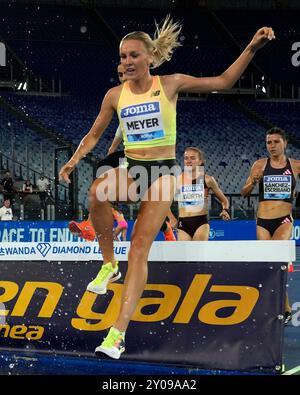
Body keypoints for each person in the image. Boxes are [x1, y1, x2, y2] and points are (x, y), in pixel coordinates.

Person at [59, 16, 275, 359]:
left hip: (162, 172)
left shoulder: (170, 83)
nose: (126, 62)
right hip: (134, 168)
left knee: (140, 250)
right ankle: (109, 265)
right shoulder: (115, 95)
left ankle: (116, 334)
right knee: (97, 191)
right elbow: (95, 134)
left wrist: (251, 47)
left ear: (149, 58)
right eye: (122, 57)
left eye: (133, 56)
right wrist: (73, 160)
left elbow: (224, 80)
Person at [68, 64, 176, 242]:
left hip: (154, 156)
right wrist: (112, 149)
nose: (123, 77)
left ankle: (166, 226)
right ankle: (90, 223)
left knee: (148, 197)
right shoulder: (120, 95)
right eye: (120, 75)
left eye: (126, 73)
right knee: (103, 171)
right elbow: (120, 128)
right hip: (130, 154)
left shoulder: (149, 91)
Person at [241, 127, 300, 326]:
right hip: (263, 221)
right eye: (268, 142)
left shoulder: (296, 166)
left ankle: (280, 308)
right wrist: (252, 183)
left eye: (276, 142)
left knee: (275, 259)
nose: (272, 146)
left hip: (284, 220)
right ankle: (284, 307)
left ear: (285, 143)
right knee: (269, 264)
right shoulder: (259, 165)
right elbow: (244, 192)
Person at [169, 147, 230, 241]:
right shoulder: (177, 180)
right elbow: (163, 203)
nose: (188, 161)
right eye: (186, 158)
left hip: (201, 223)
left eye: (192, 158)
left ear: (200, 161)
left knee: (198, 254)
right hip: (183, 224)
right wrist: (172, 218)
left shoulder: (208, 180)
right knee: (185, 255)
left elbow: (224, 200)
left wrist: (225, 209)